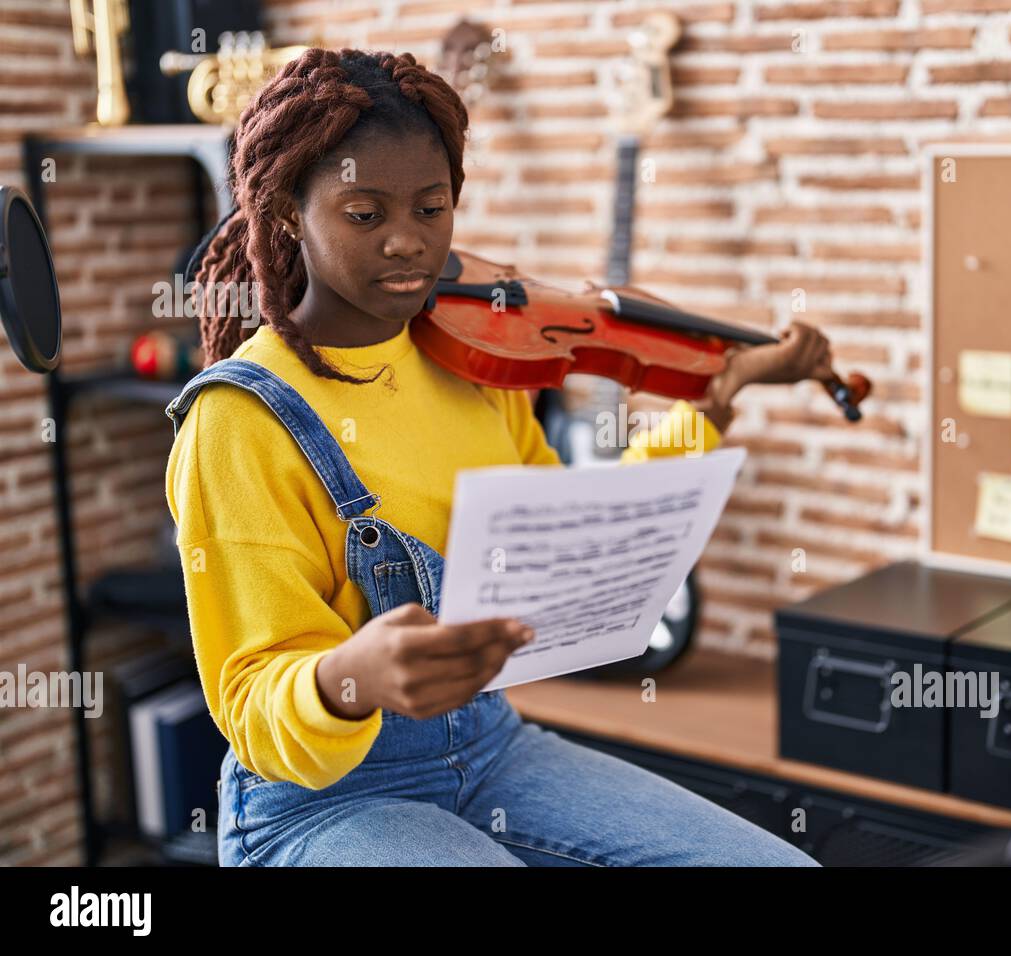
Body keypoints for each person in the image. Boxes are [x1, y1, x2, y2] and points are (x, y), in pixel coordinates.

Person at [164, 48, 830, 866]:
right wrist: (351, 680)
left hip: (491, 750)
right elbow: (250, 701)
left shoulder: (475, 363)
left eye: (432, 208)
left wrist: (715, 394)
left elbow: (571, 538)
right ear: (286, 215)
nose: (409, 244)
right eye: (364, 214)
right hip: (318, 802)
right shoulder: (238, 419)